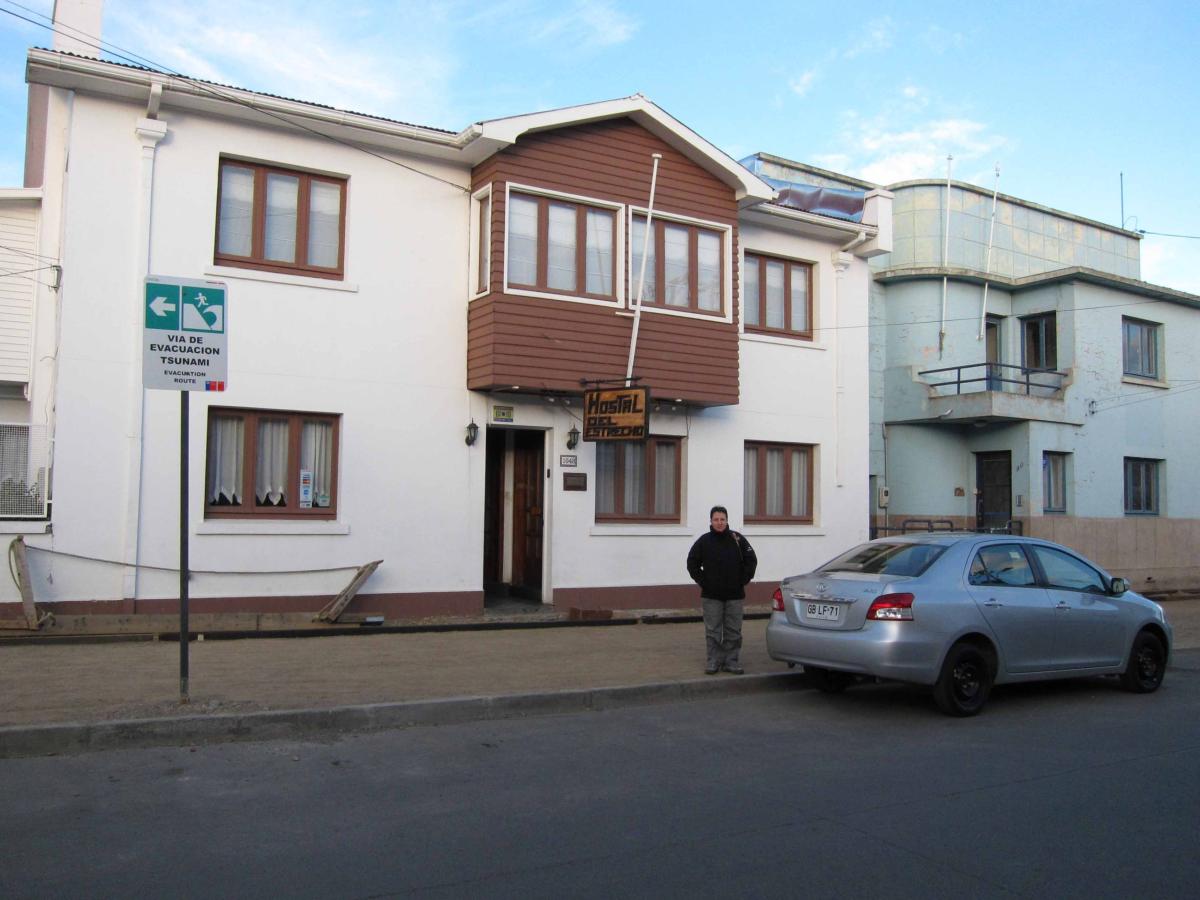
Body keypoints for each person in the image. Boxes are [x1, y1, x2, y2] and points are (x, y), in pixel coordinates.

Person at [686, 505, 757, 675]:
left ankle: (731, 661)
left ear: (727, 521)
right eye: (716, 519)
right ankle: (713, 661)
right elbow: (691, 563)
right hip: (711, 596)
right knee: (713, 631)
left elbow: (752, 560)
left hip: (735, 595)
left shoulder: (737, 539)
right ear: (711, 521)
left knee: (734, 631)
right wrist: (704, 582)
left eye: (722, 519)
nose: (719, 522)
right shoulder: (704, 541)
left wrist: (742, 580)